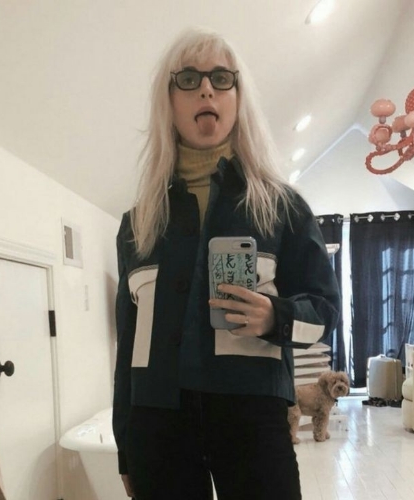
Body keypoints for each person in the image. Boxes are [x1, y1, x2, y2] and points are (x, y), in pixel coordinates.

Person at [112, 27, 340, 500]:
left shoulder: (281, 209)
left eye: (221, 77)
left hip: (252, 419)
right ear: (168, 100)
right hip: (157, 426)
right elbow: (128, 346)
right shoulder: (139, 224)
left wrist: (275, 316)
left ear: (239, 96)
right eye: (188, 78)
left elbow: (325, 315)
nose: (206, 89)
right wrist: (125, 446)